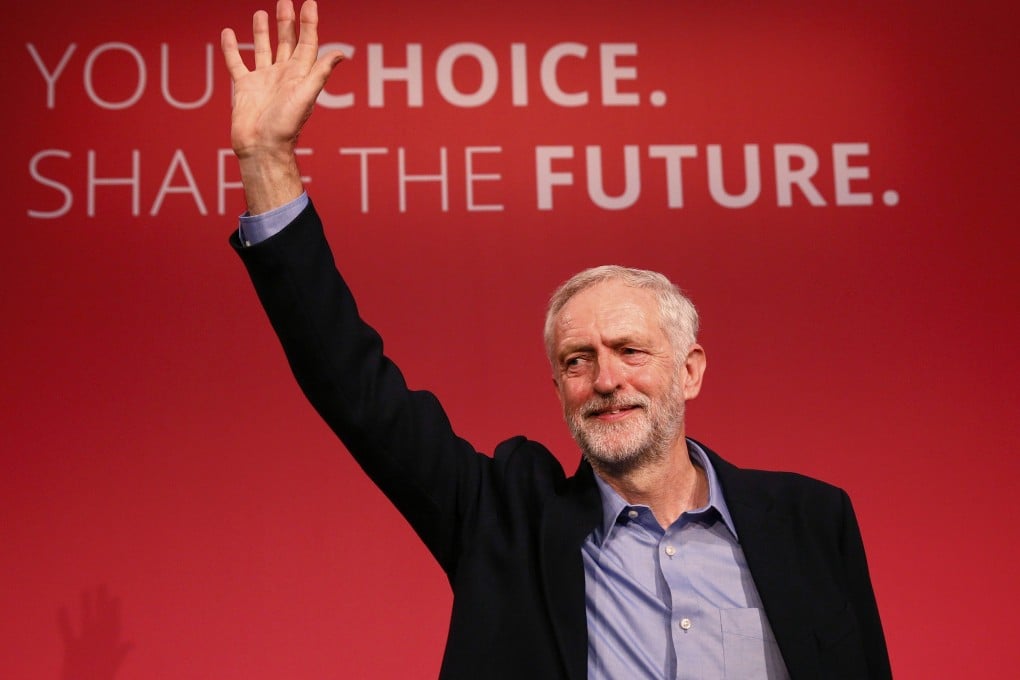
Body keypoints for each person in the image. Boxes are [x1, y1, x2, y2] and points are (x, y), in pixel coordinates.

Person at [221, 2, 892, 678]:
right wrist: (268, 160)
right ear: (558, 387)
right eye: (578, 360)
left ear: (689, 370)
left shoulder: (809, 520)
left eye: (630, 351)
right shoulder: (505, 521)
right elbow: (352, 385)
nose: (605, 380)